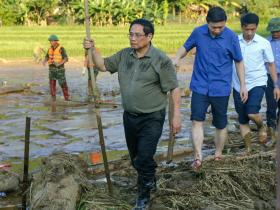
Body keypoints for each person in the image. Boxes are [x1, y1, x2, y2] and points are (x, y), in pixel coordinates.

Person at [83, 18, 181, 210]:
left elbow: (174, 89)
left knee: (144, 157)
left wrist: (176, 116)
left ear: (149, 36)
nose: (133, 38)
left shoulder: (160, 60)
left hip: (152, 117)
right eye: (130, 34)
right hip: (130, 117)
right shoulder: (124, 55)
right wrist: (92, 49)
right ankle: (149, 178)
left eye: (137, 35)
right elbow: (102, 65)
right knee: (136, 159)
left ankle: (143, 196)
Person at [173, 7, 247, 170]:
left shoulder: (231, 37)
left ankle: (218, 154)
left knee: (220, 123)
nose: (217, 30)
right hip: (200, 85)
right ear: (207, 23)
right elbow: (185, 47)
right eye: (214, 27)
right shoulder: (198, 33)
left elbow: (239, 61)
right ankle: (198, 157)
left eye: (221, 27)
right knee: (196, 120)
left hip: (221, 88)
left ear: (225, 24)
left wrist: (243, 85)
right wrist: (177, 58)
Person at [232, 13, 280, 152]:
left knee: (252, 112)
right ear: (242, 27)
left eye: (252, 29)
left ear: (257, 27)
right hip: (237, 84)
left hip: (257, 82)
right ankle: (248, 149)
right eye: (246, 29)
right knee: (242, 119)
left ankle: (261, 126)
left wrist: (276, 86)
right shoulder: (234, 41)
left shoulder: (263, 43)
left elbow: (271, 65)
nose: (249, 33)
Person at [265, 17, 280, 143]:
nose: (275, 33)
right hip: (269, 77)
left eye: (277, 31)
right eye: (273, 31)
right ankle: (272, 135)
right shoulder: (265, 42)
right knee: (271, 106)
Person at [42, 34, 70, 101]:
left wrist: (59, 64)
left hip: (59, 69)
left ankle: (67, 98)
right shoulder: (50, 48)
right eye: (50, 41)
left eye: (52, 41)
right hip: (51, 69)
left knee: (63, 84)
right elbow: (47, 56)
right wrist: (44, 61)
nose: (51, 42)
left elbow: (66, 59)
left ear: (56, 41)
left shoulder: (61, 49)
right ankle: (53, 98)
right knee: (52, 84)